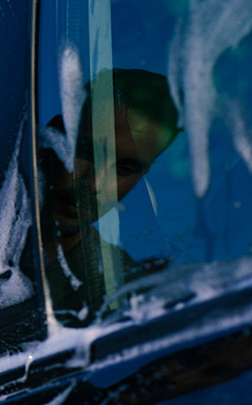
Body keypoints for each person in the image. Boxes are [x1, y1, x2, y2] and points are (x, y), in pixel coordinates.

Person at [38, 68, 181, 324]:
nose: (94, 183)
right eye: (87, 152)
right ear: (54, 134)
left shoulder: (120, 297)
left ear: (141, 176)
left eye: (124, 169)